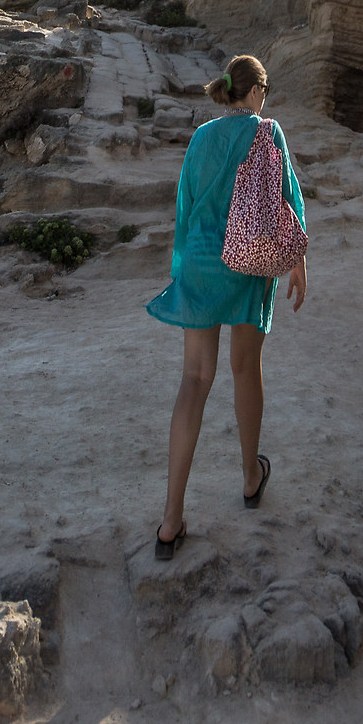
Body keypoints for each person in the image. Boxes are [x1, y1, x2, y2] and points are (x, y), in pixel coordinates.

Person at [147, 53, 307, 557]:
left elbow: (185, 207)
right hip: (248, 263)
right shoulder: (268, 133)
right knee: (245, 368)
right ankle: (248, 477)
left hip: (200, 263)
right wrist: (298, 260)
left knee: (194, 379)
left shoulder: (200, 139)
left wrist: (181, 270)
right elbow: (287, 202)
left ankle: (170, 519)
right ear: (256, 92)